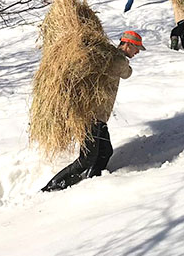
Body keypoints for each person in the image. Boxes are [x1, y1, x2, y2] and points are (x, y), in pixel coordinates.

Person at [41, 30, 145, 192]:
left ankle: (92, 181)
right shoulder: (116, 59)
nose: (137, 52)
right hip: (91, 116)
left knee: (105, 152)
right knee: (87, 158)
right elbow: (127, 73)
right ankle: (52, 188)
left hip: (99, 117)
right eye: (137, 48)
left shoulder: (108, 55)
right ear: (128, 44)